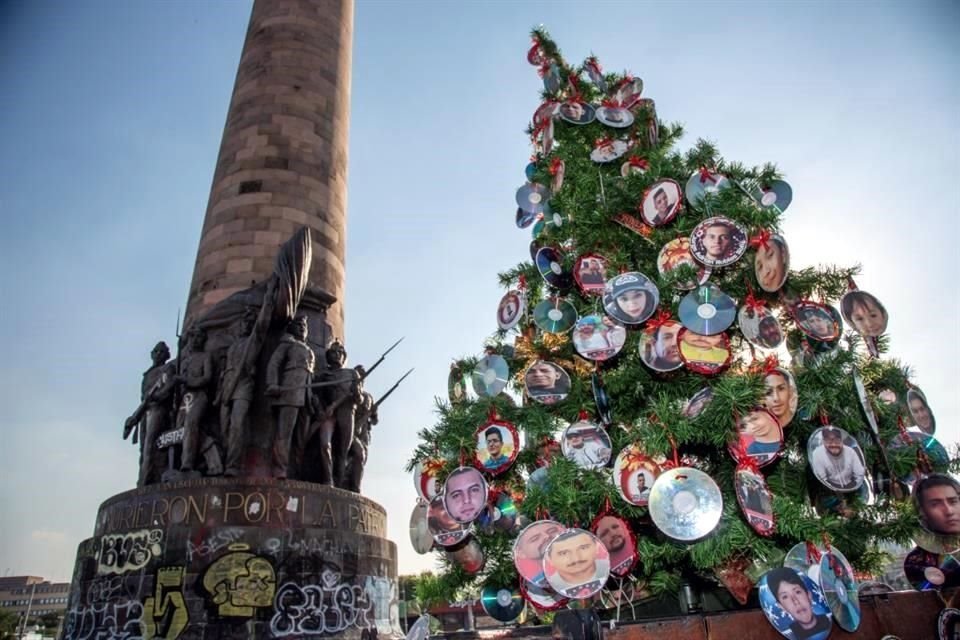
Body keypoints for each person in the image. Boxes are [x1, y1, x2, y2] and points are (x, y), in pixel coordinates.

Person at [265, 316, 316, 480]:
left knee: (301, 437)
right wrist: (272, 383)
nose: (302, 328)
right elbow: (274, 363)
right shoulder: (287, 343)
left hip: (306, 395)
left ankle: (296, 470)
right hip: (290, 390)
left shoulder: (308, 349)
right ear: (292, 328)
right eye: (299, 325)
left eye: (304, 326)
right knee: (284, 433)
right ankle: (280, 468)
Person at [124, 341, 177, 486]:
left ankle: (146, 481)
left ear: (167, 355)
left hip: (159, 409)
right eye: (156, 351)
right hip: (145, 412)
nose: (158, 354)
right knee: (143, 449)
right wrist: (135, 416)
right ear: (152, 354)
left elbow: (168, 389)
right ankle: (144, 478)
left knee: (151, 445)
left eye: (162, 352)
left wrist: (157, 396)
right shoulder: (147, 375)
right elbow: (143, 398)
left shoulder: (168, 369)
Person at [216, 311, 257, 477]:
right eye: (244, 322)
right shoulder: (233, 345)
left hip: (244, 385)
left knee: (236, 424)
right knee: (224, 427)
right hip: (227, 386)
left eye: (249, 323)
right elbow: (225, 370)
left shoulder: (252, 342)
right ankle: (221, 462)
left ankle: (233, 465)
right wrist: (220, 393)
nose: (246, 325)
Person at [177, 327, 214, 474]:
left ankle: (188, 463)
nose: (195, 340)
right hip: (184, 398)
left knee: (191, 424)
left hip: (199, 395)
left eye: (199, 337)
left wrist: (187, 381)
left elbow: (207, 378)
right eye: (193, 338)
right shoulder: (184, 361)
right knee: (179, 429)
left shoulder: (205, 357)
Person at [766, 568, 832, 640]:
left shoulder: (829, 621)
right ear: (781, 606)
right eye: (785, 597)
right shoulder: (788, 634)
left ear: (809, 595)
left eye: (797, 592)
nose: (795, 601)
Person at [545, 530, 610, 598]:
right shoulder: (551, 590)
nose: (576, 558)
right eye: (564, 553)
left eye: (583, 548)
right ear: (549, 559)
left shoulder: (611, 569)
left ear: (597, 547)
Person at [515, 520, 564, 586]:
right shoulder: (537, 584)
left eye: (552, 531)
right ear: (520, 552)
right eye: (535, 538)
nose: (546, 536)